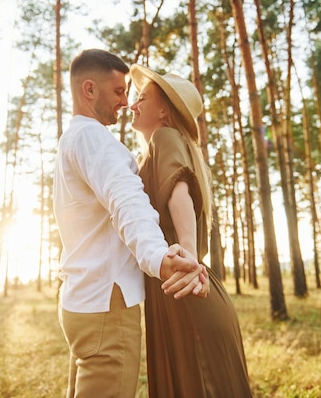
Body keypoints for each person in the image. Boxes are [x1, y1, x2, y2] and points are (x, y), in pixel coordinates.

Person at [53, 49, 208, 398]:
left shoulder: (72, 139)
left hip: (82, 301)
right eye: (119, 91)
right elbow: (127, 200)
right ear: (89, 90)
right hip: (108, 305)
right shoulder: (95, 140)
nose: (125, 102)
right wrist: (158, 257)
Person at [129, 64, 254, 398]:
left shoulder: (164, 137)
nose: (132, 104)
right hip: (178, 291)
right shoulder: (152, 153)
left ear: (163, 110)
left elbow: (179, 190)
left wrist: (187, 253)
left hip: (186, 288)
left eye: (141, 97)